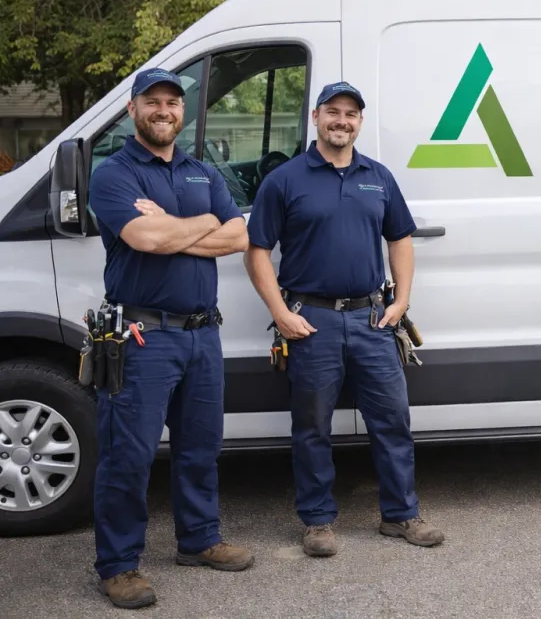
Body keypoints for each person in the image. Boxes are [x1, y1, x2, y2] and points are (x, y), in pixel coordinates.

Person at [243, 81, 443, 557]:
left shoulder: (378, 176)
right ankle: (317, 522)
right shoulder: (285, 180)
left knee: (392, 421)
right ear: (315, 118)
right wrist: (279, 313)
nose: (342, 121)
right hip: (311, 321)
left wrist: (401, 302)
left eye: (351, 114)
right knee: (312, 426)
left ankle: (400, 515)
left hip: (373, 319)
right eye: (333, 111)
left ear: (359, 122)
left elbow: (400, 238)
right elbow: (257, 251)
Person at [87, 68, 254, 610]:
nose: (164, 110)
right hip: (143, 336)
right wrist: (203, 222)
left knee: (200, 447)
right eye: (153, 101)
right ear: (133, 109)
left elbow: (240, 235)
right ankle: (118, 566)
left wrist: (176, 226)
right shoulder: (114, 174)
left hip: (203, 334)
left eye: (173, 102)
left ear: (183, 111)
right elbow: (145, 238)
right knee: (128, 455)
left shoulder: (201, 171)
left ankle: (199, 540)